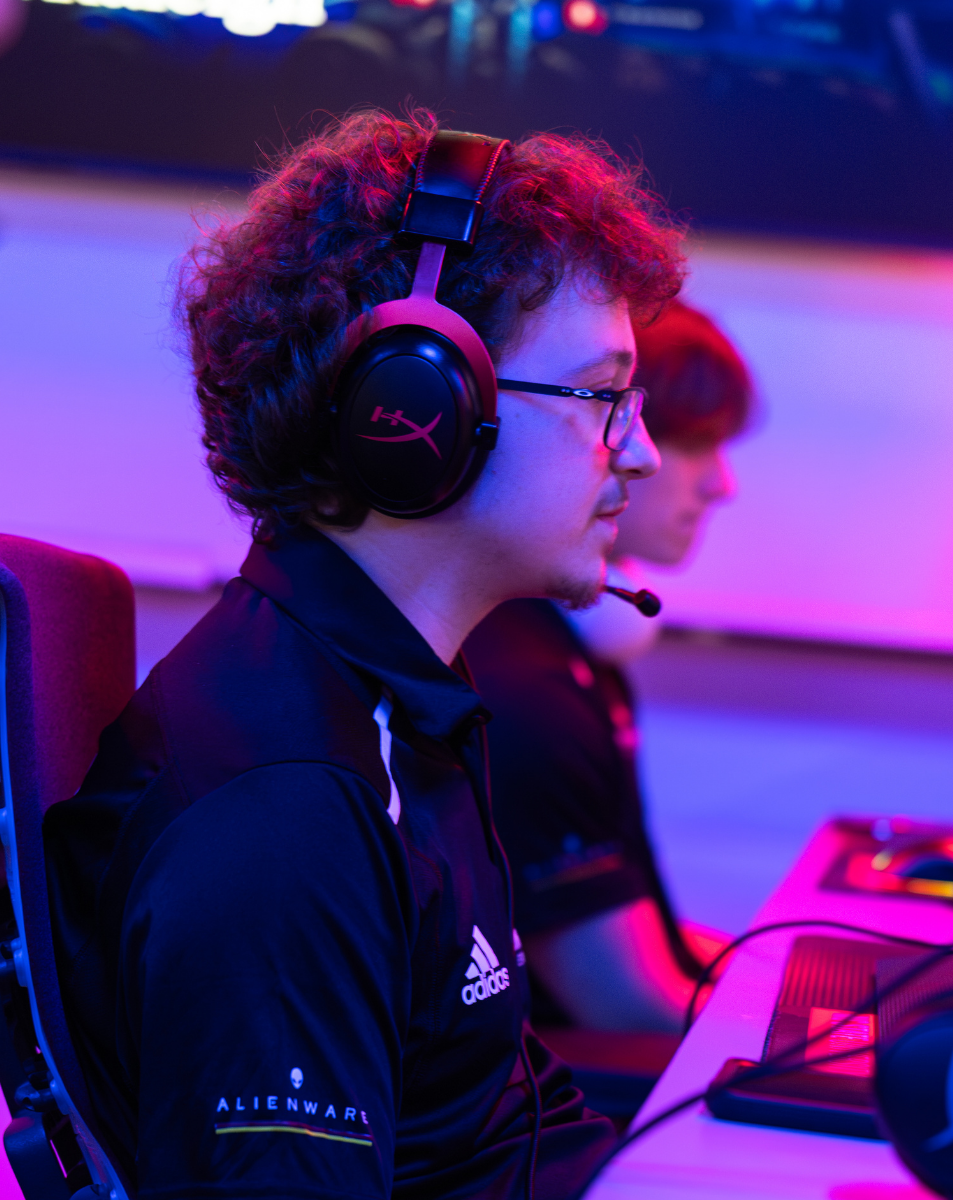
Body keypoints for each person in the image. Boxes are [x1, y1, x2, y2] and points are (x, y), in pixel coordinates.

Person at [43, 111, 685, 1200]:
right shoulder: (290, 817)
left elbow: (497, 1125)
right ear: (417, 409)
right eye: (600, 397)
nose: (644, 453)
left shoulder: (405, 709)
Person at [465, 300, 752, 1034]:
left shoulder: (578, 655)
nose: (721, 484)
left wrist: (789, 989)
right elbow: (625, 1004)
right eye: (697, 443)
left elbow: (655, 948)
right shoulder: (530, 698)